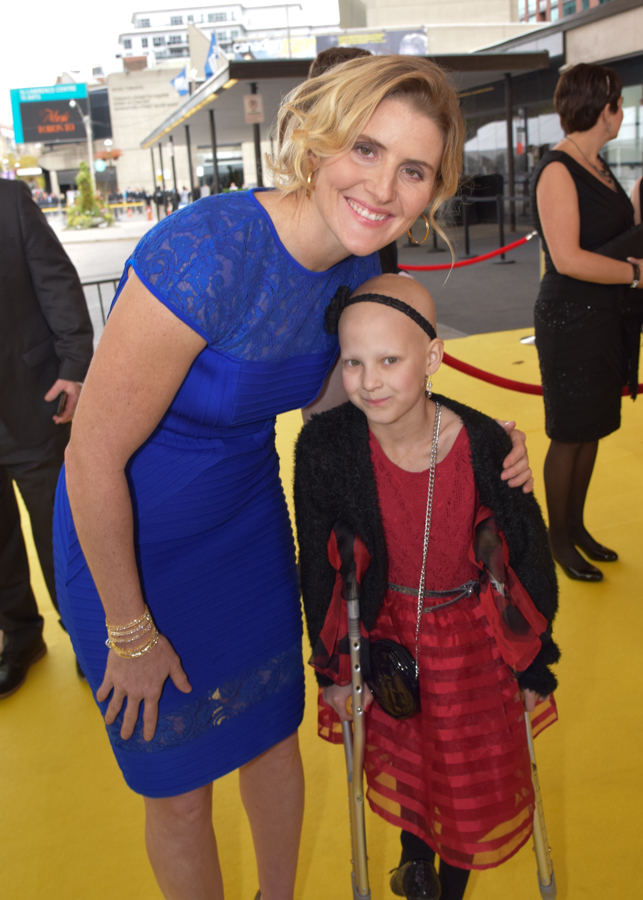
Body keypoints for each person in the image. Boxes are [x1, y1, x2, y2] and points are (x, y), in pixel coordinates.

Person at [52, 55, 533, 900]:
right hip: (131, 539)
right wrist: (130, 629)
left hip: (246, 527)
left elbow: (349, 411)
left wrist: (477, 445)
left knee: (274, 744)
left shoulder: (357, 271)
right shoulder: (208, 252)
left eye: (413, 169)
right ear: (315, 144)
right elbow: (92, 457)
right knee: (179, 791)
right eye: (366, 149)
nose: (384, 187)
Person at [294, 274, 560, 900]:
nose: (370, 380)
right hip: (386, 636)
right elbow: (318, 567)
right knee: (411, 761)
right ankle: (415, 863)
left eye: (390, 359)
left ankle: (448, 888)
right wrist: (332, 668)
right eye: (353, 362)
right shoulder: (325, 450)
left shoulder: (485, 444)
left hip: (471, 645)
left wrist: (534, 665)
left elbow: (524, 553)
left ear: (433, 357)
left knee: (463, 782)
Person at [530, 63, 643, 582]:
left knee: (593, 428)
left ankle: (577, 529)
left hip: (604, 314)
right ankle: (559, 540)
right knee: (570, 433)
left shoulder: (597, 165)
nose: (621, 111)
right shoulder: (559, 168)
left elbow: (616, 233)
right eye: (618, 102)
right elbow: (569, 258)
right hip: (571, 317)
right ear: (605, 109)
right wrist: (633, 273)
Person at [0, 178, 93, 698]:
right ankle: (19, 637)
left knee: (59, 534)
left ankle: (83, 635)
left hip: (33, 404)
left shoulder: (9, 201)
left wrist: (76, 367)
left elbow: (58, 284)